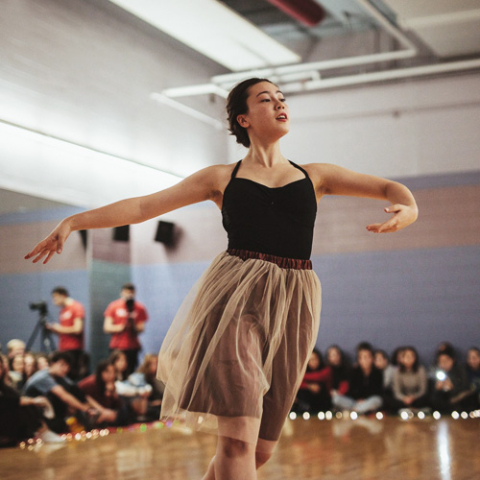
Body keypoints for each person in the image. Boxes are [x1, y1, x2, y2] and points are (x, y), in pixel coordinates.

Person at [25, 77, 418, 479]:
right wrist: (74, 221)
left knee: (259, 451)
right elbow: (143, 206)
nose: (280, 104)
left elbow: (390, 188)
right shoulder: (221, 178)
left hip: (294, 302)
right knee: (235, 441)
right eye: (267, 99)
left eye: (282, 99)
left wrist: (409, 208)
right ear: (243, 119)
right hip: (235, 299)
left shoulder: (316, 176)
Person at [22, 351, 98, 433]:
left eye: (68, 366)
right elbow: (64, 396)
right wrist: (86, 409)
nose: (65, 369)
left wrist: (95, 408)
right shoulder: (43, 377)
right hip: (30, 414)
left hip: (47, 412)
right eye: (62, 365)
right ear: (52, 364)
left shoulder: (60, 377)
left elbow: (78, 392)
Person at [0, 355, 63, 445]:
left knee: (28, 405)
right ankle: (42, 431)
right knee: (24, 405)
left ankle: (43, 431)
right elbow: (6, 401)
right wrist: (31, 401)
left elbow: (15, 397)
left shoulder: (4, 387)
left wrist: (32, 401)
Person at [103, 284, 148, 375]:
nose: (129, 294)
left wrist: (133, 325)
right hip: (117, 345)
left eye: (131, 292)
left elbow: (141, 328)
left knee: (131, 370)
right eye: (126, 292)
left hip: (132, 346)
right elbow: (107, 327)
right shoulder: (114, 306)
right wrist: (120, 327)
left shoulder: (139, 308)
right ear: (122, 292)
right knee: (115, 371)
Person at [46, 287, 86, 380]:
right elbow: (64, 333)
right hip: (63, 348)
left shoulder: (76, 307)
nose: (54, 301)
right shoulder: (63, 310)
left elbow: (77, 329)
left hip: (73, 349)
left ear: (63, 296)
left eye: (55, 297)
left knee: (72, 377)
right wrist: (54, 330)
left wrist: (59, 328)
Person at [333, 342, 384, 415]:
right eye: (362, 357)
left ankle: (355, 411)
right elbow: (351, 390)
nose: (364, 360)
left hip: (368, 401)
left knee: (378, 400)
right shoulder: (354, 372)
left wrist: (365, 400)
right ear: (358, 359)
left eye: (367, 357)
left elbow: (378, 392)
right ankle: (359, 410)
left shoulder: (377, 373)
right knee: (336, 399)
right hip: (354, 402)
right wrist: (358, 399)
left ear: (372, 358)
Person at [431, 349, 476, 413]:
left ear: (452, 360)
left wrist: (452, 387)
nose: (443, 364)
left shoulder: (460, 371)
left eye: (446, 361)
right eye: (441, 361)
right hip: (442, 406)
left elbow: (465, 389)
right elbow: (432, 396)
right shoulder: (436, 372)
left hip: (459, 403)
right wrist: (437, 389)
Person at [391, 346, 429, 413]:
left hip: (417, 398)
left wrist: (413, 397)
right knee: (390, 400)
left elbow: (423, 390)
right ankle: (408, 409)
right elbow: (397, 391)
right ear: (402, 359)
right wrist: (404, 398)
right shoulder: (397, 371)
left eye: (412, 356)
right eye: (407, 356)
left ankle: (415, 409)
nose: (409, 359)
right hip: (403, 399)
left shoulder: (421, 370)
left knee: (426, 399)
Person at [294, 348, 332, 414]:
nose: (313, 362)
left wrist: (301, 376)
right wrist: (308, 386)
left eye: (315, 359)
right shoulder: (304, 370)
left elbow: (319, 377)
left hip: (325, 399)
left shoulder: (326, 369)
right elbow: (297, 383)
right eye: (310, 360)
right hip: (308, 400)